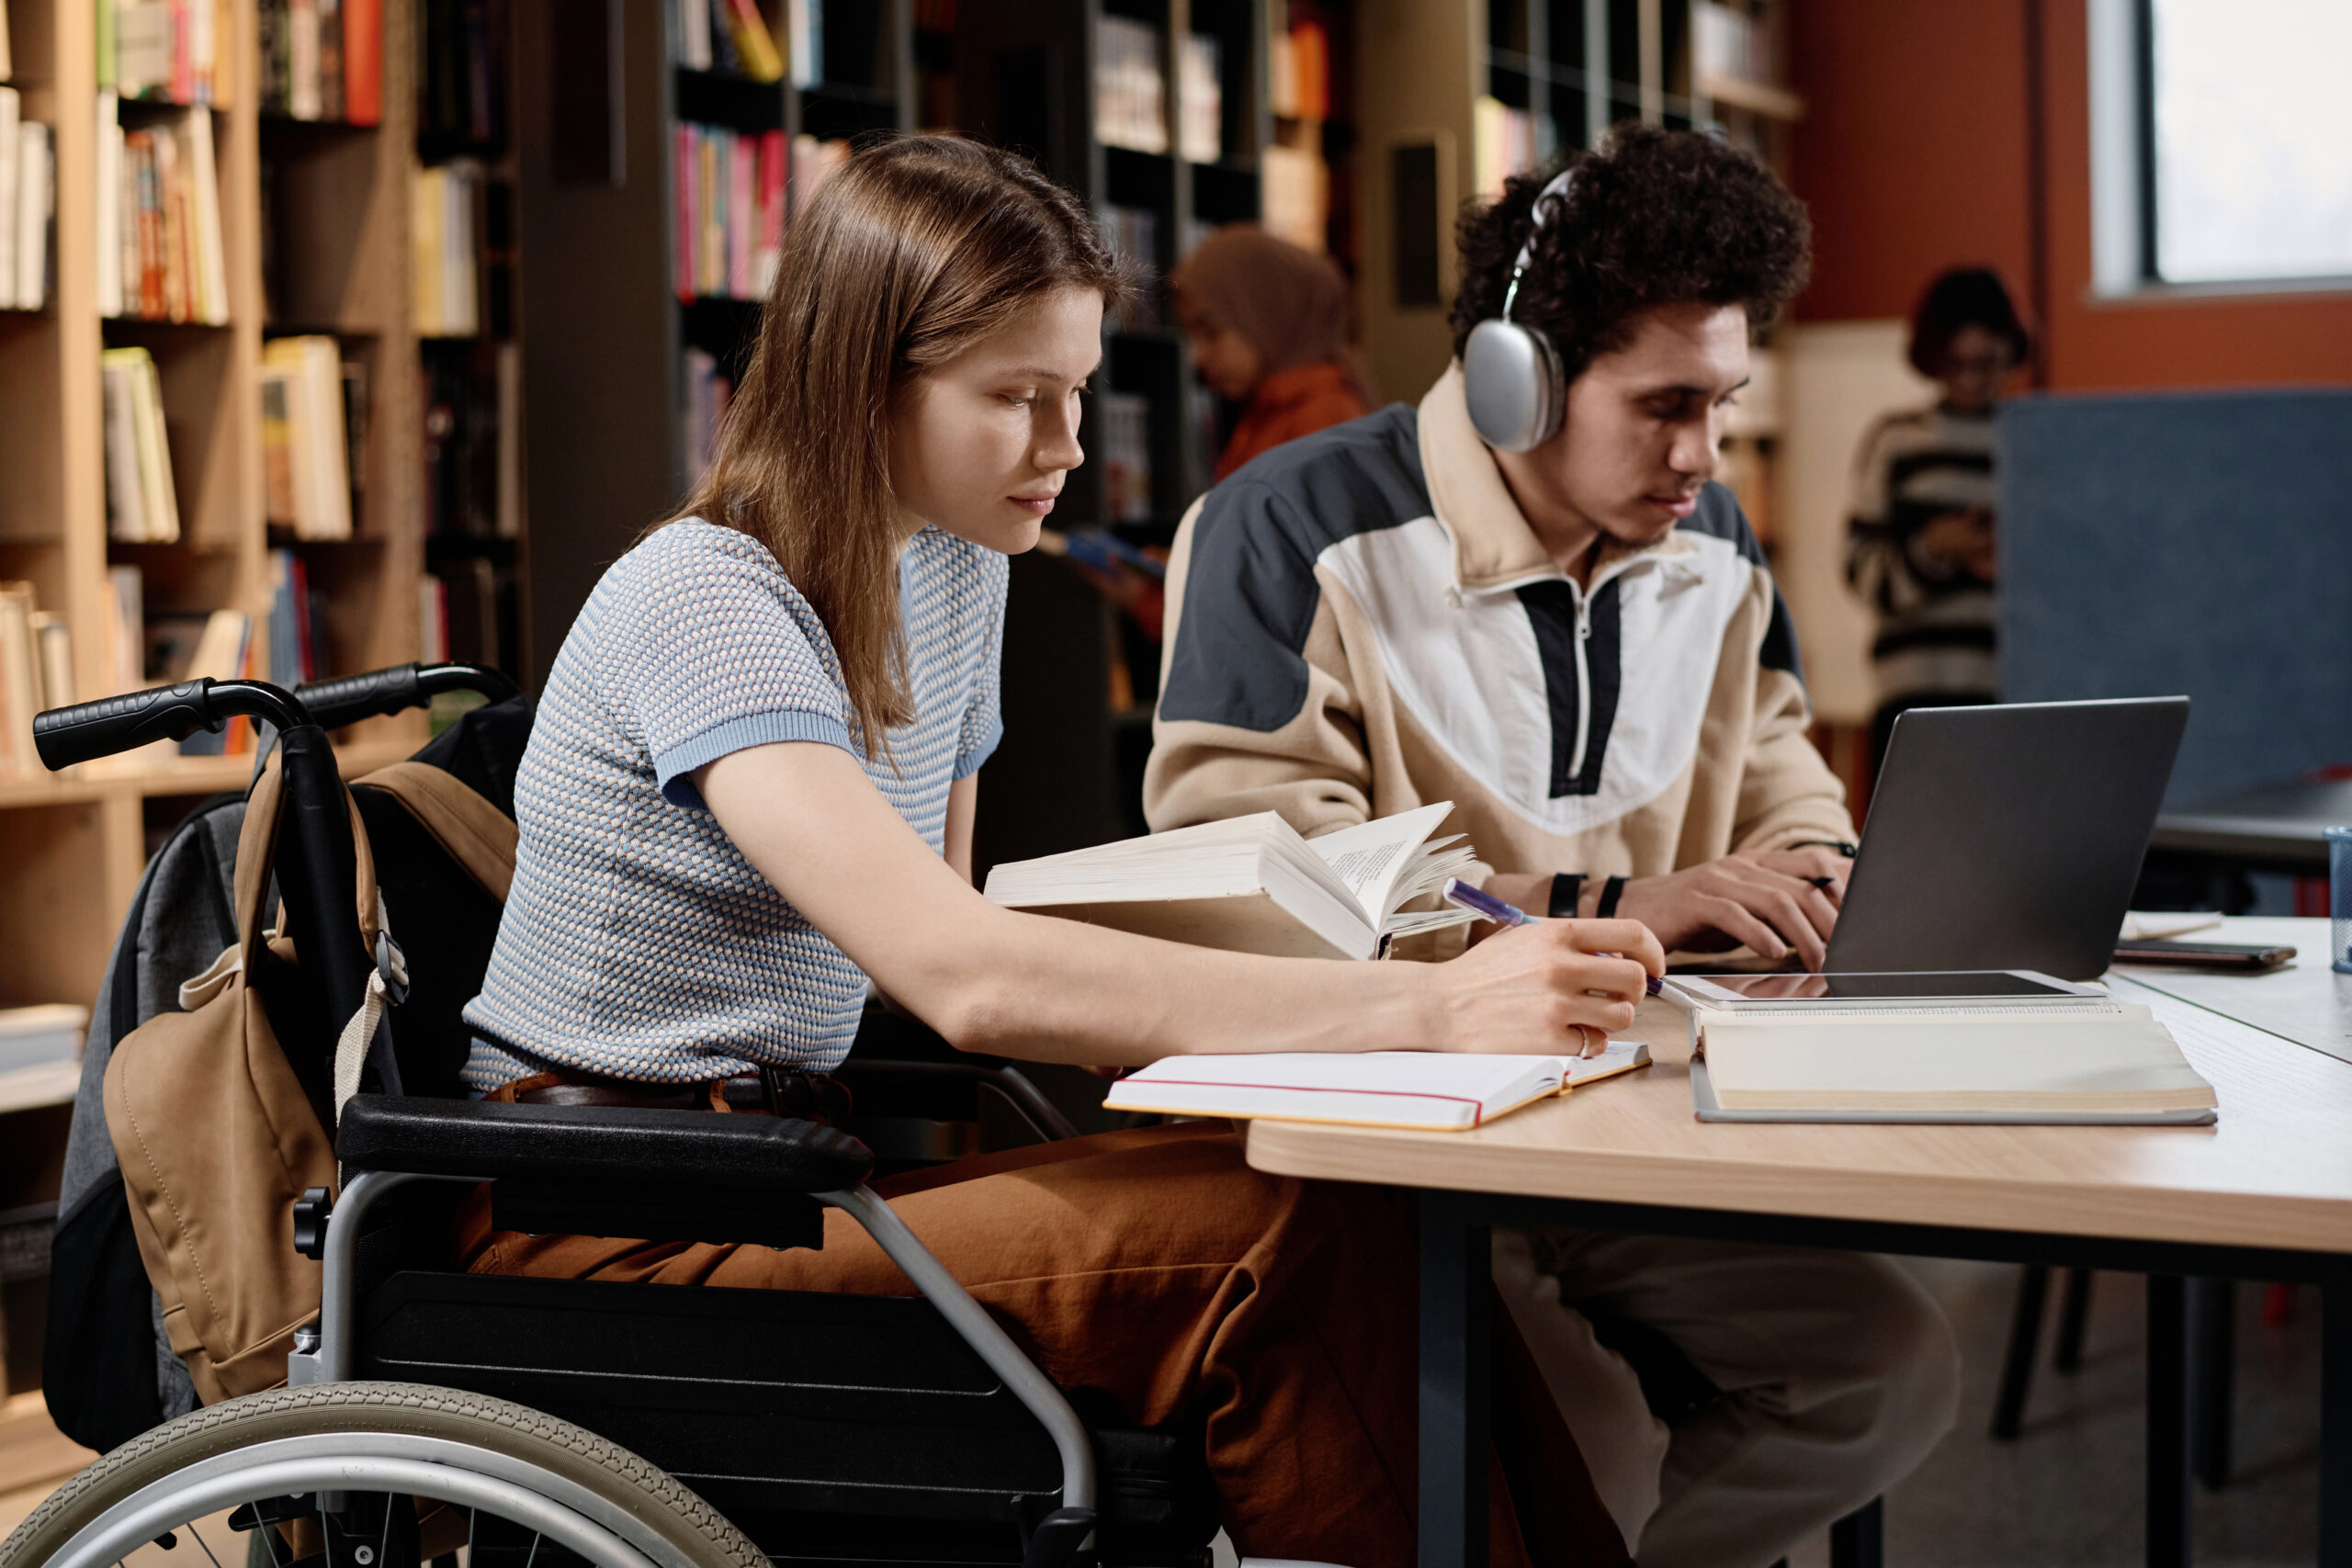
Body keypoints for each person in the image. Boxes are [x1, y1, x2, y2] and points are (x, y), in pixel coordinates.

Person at [454, 135, 1663, 1567]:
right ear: (864, 380)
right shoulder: (705, 600)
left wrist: (1277, 975)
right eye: (1018, 397)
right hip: (608, 1227)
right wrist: (1431, 1011)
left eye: (1077, 390)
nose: (1070, 446)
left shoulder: (952, 569)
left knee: (1354, 1205)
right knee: (1284, 1242)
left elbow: (935, 928)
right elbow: (959, 972)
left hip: (778, 1173)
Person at [1145, 126, 1961, 1565]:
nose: (1703, 457)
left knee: (1885, 1366)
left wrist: (1818, 884)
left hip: (1645, 1122)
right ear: (1518, 380)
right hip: (1395, 1147)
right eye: (1665, 406)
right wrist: (1617, 901)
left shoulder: (1716, 552)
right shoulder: (1285, 528)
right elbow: (1255, 875)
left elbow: (1791, 786)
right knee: (1580, 1433)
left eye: (1723, 405)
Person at [1846, 266, 2031, 774]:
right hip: (1913, 699)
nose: (1972, 379)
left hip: (2017, 696)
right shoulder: (1897, 440)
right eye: (1957, 364)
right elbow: (1863, 576)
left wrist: (2008, 563)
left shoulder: (2036, 442)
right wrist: (1934, 550)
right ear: (1933, 360)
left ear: (2011, 352)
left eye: (1988, 363)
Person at [1171, 224, 1372, 479]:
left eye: (1212, 332)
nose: (1197, 356)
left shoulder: (1324, 418)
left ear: (1268, 316)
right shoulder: (1269, 409)